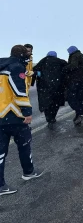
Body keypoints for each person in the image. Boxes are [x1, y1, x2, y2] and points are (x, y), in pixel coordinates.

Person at [0, 45, 44, 196]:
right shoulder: (16, 67)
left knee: (0, 152)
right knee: (24, 145)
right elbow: (19, 92)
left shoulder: (3, 67)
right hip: (14, 115)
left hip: (0, 115)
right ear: (21, 54)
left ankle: (0, 185)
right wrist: (27, 112)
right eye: (26, 53)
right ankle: (28, 172)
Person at [33, 51, 68, 129]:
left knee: (47, 104)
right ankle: (53, 117)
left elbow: (34, 70)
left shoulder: (43, 61)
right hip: (58, 87)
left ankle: (49, 119)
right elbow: (67, 70)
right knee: (55, 103)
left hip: (45, 87)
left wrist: (39, 75)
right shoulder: (60, 61)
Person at [63, 46, 83, 125]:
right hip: (82, 80)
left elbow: (73, 66)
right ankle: (78, 115)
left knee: (71, 98)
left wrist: (64, 68)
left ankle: (80, 112)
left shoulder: (75, 56)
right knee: (80, 98)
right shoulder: (81, 55)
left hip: (75, 80)